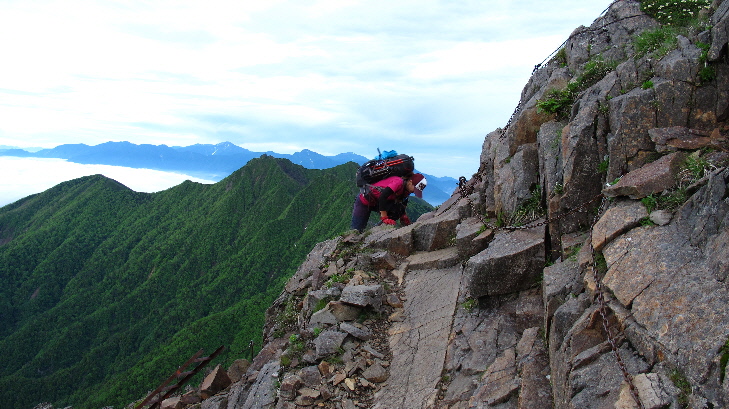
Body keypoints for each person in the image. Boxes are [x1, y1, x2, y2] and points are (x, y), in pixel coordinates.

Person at [350, 173, 427, 233]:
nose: (414, 191)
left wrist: (403, 216)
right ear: (410, 182)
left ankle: (377, 229)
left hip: (376, 202)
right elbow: (383, 197)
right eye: (415, 189)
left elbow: (401, 205)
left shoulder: (406, 190)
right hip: (364, 201)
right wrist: (384, 217)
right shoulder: (398, 182)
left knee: (397, 211)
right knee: (356, 231)